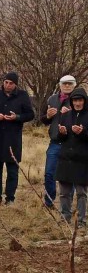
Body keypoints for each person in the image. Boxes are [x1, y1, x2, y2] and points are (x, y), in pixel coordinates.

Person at [0, 72, 35, 205]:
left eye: (11, 83)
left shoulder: (23, 96)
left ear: (16, 84)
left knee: (12, 170)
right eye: (6, 82)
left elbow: (30, 114)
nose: (8, 85)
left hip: (13, 138)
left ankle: (10, 198)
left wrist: (17, 117)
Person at [41, 75, 77, 207]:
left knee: (69, 176)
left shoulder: (79, 99)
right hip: (55, 142)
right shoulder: (52, 99)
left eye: (70, 84)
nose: (67, 86)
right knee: (49, 173)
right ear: (60, 85)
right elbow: (43, 120)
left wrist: (71, 115)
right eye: (64, 84)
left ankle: (67, 205)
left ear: (74, 85)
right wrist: (48, 116)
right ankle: (49, 201)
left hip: (71, 144)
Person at [55, 87, 88, 226]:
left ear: (85, 101)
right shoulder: (66, 115)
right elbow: (59, 138)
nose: (77, 103)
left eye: (80, 100)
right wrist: (62, 132)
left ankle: (81, 221)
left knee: (81, 193)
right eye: (75, 100)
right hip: (66, 159)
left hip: (82, 160)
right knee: (64, 193)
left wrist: (82, 132)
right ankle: (65, 218)